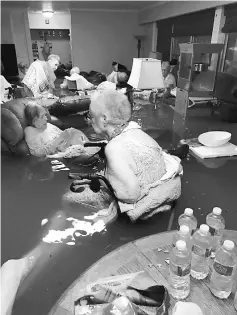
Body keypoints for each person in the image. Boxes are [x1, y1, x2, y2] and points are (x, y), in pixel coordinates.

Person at [69, 90, 182, 221]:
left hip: (142, 210)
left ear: (104, 119)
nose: (90, 119)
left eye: (91, 115)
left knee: (68, 198)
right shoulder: (137, 131)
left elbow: (131, 195)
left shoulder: (113, 148)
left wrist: (102, 181)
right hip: (164, 192)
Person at [24, 102, 93, 157]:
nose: (46, 118)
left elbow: (63, 135)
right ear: (34, 120)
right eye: (42, 117)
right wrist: (59, 139)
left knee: (73, 132)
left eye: (45, 115)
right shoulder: (30, 131)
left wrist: (66, 134)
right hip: (62, 154)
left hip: (69, 146)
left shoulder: (48, 125)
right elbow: (36, 152)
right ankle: (88, 152)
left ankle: (91, 148)